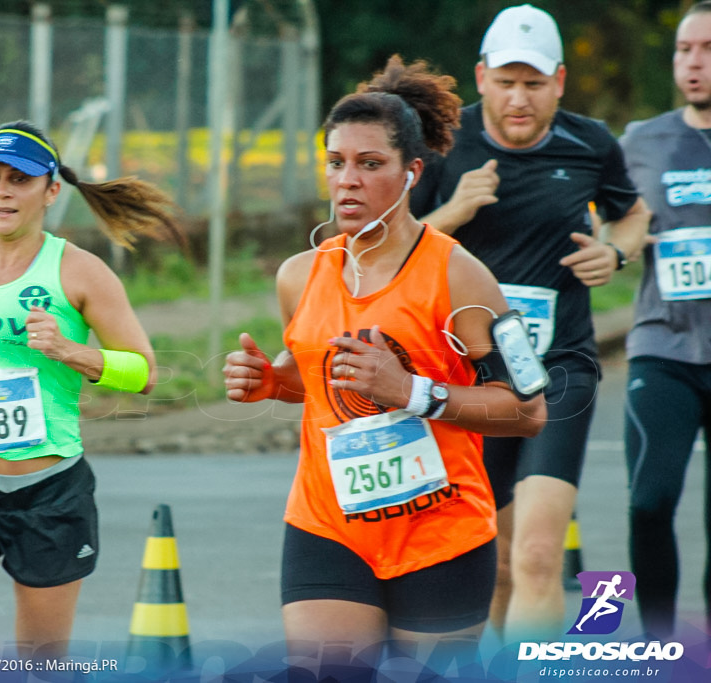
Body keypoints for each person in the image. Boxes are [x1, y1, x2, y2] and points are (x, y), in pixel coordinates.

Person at [222, 55, 546, 670]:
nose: (348, 180)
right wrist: (273, 383)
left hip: (440, 534)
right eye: (336, 163)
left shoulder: (461, 275)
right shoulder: (299, 276)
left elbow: (529, 410)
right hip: (329, 526)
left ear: (410, 174)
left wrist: (415, 392)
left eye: (370, 165)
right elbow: (323, 383)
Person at [0, 120, 184, 658]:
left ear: (51, 191)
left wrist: (72, 352)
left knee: (42, 662)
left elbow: (146, 373)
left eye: (18, 180)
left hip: (49, 491)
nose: (1, 191)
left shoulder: (81, 272)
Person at [409, 4, 650, 640]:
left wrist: (616, 251)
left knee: (540, 557)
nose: (520, 99)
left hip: (559, 369)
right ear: (482, 76)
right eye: (507, 82)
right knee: (495, 564)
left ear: (560, 82)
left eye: (535, 84)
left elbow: (633, 214)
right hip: (467, 378)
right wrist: (452, 213)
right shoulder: (438, 144)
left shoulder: (591, 142)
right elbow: (388, 248)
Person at [619, 1, 711, 639]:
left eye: (707, 49)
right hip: (665, 346)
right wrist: (617, 242)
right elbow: (614, 225)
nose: (694, 62)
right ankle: (659, 646)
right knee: (649, 502)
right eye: (684, 49)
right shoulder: (640, 141)